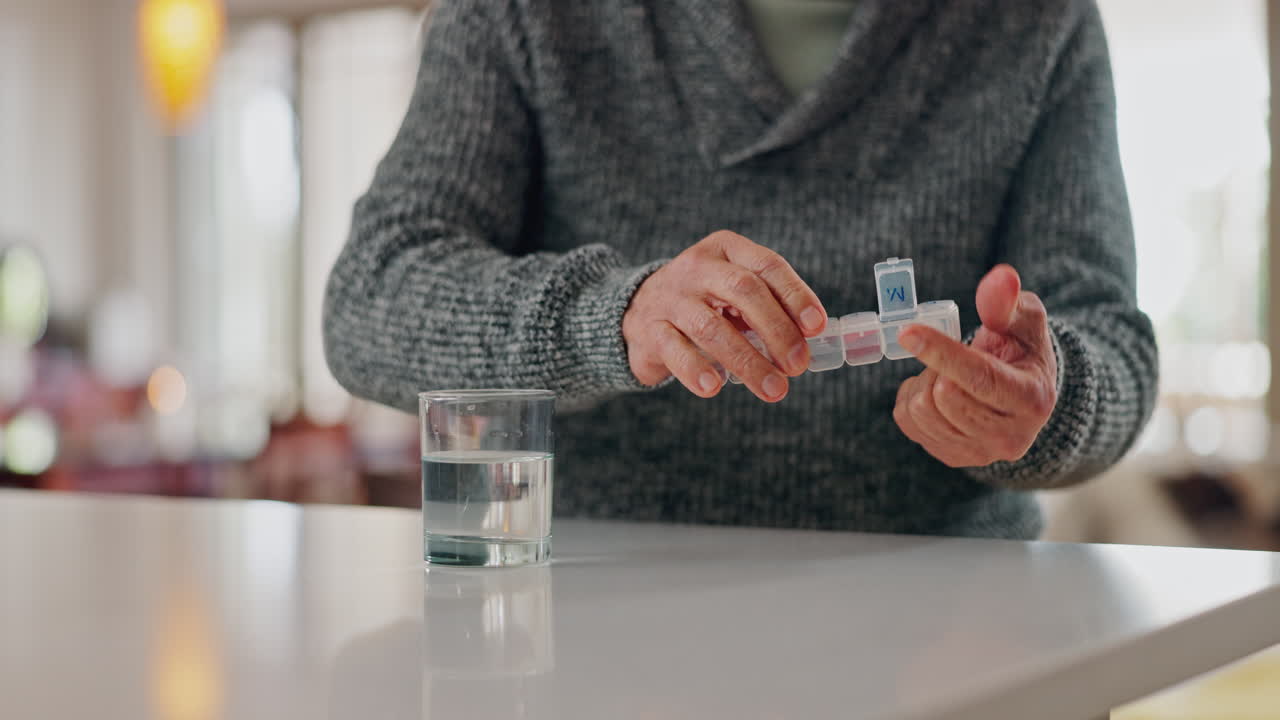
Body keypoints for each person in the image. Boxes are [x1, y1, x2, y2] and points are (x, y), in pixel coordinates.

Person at [323, 0, 1158, 539]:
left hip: (950, 625)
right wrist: (614, 316)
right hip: (598, 630)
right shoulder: (521, 15)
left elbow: (1108, 336)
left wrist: (1048, 404)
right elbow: (371, 296)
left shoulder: (1038, 21)